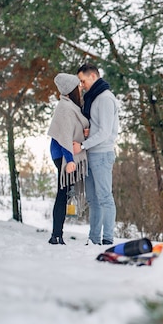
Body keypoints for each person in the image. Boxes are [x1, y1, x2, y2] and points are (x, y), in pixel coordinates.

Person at [73, 63, 120, 245]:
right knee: (93, 200)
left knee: (105, 198)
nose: (82, 85)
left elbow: (106, 132)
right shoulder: (95, 98)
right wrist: (89, 132)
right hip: (91, 154)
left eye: (83, 81)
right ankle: (94, 240)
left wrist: (83, 145)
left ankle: (108, 239)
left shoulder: (106, 98)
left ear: (93, 76)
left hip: (102, 155)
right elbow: (98, 128)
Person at [47, 73, 89, 245]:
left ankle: (57, 234)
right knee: (62, 193)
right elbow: (64, 135)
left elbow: (73, 129)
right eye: (77, 85)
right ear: (71, 89)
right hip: (63, 155)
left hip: (67, 154)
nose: (80, 88)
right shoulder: (64, 107)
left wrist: (84, 133)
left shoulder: (71, 106)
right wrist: (70, 160)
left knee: (64, 193)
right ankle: (56, 235)